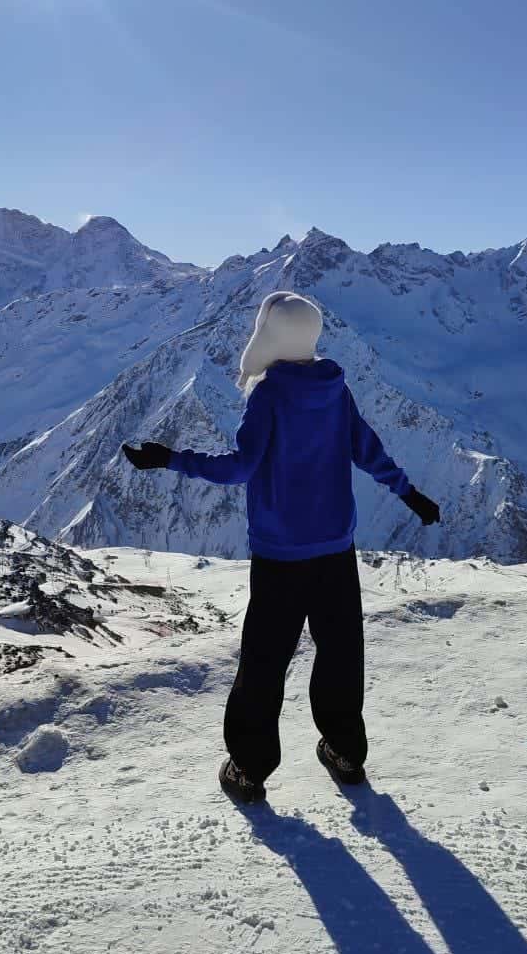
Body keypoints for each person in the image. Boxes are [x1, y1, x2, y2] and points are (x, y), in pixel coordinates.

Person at [123, 291, 440, 803]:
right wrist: (409, 492)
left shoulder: (269, 394)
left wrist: (171, 459)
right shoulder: (336, 387)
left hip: (281, 558)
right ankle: (346, 753)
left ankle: (249, 770)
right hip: (337, 551)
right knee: (341, 654)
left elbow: (240, 467)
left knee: (266, 663)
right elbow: (368, 449)